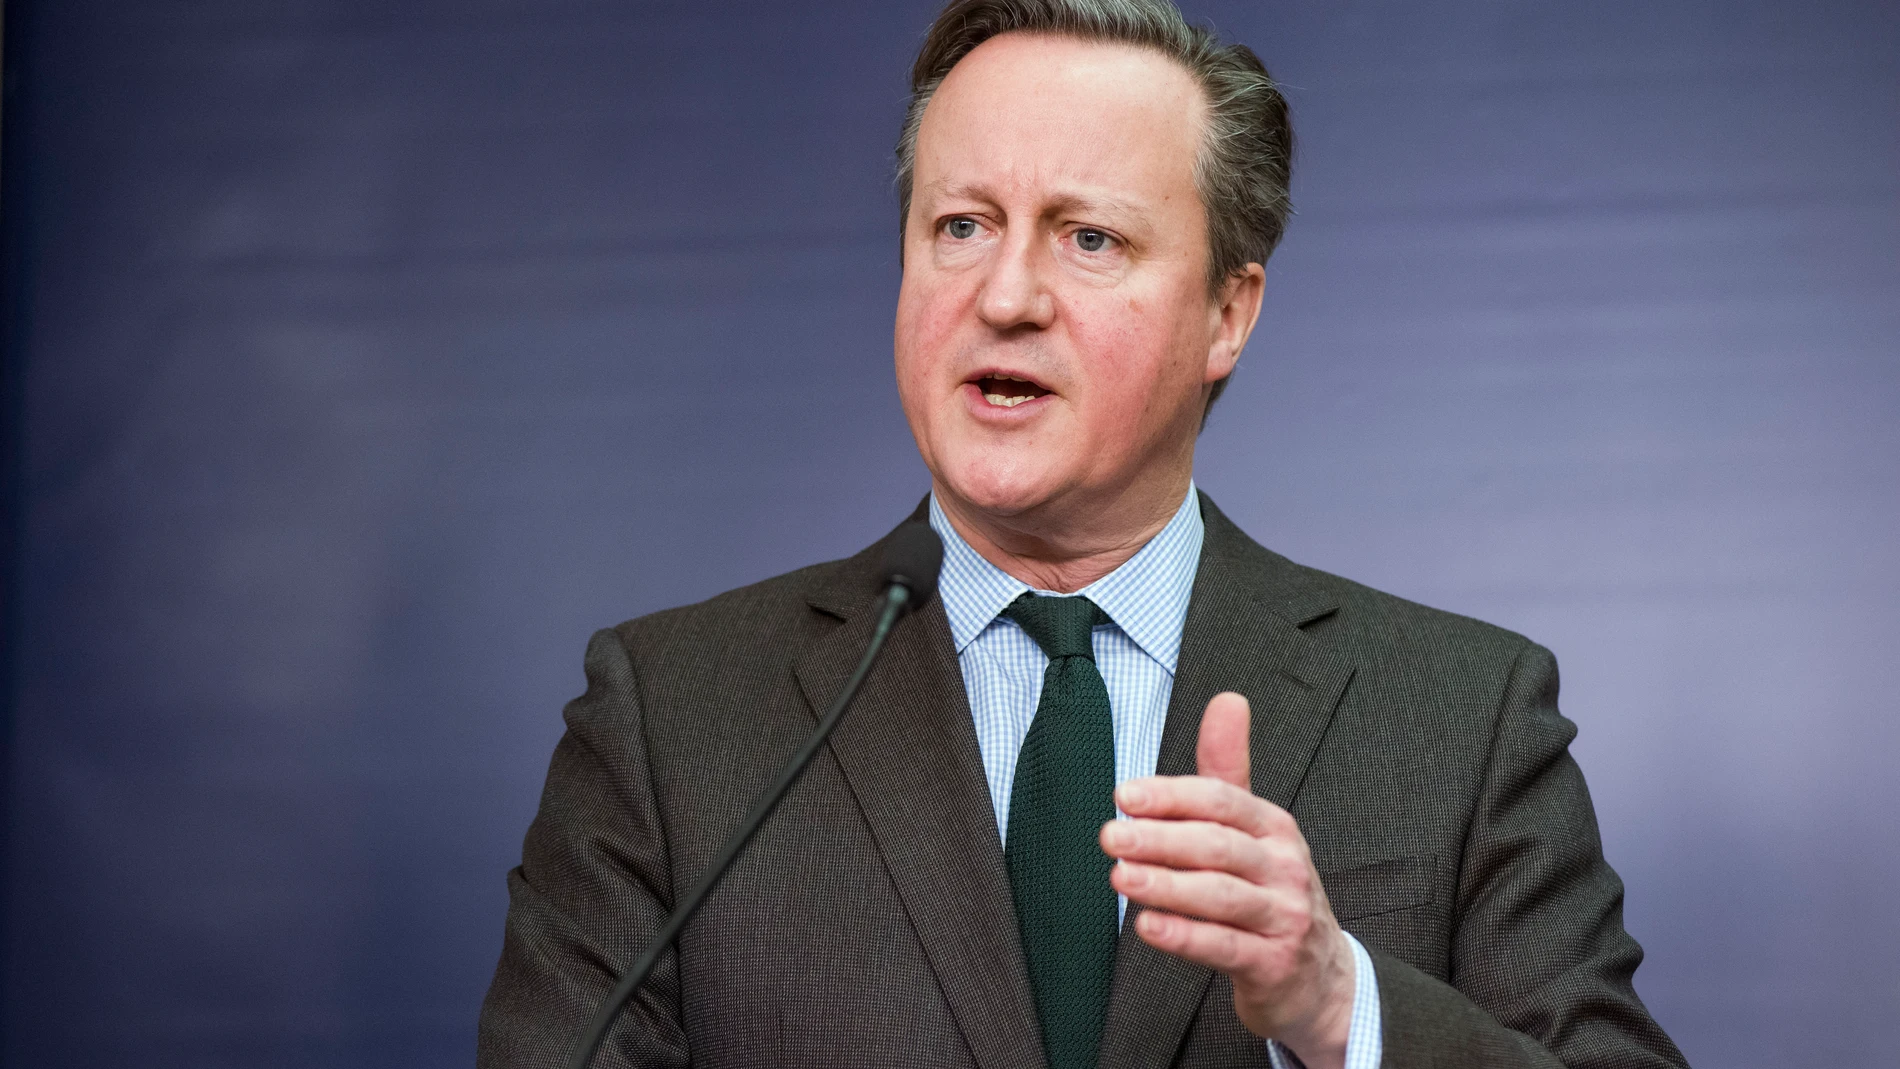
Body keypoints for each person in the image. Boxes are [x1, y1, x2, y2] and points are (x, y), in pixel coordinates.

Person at [477, 1, 1688, 1066]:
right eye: (959, 225)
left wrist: (1338, 1003)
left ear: (1228, 311)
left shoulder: (1460, 716)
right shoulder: (672, 715)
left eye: (1087, 237)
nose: (1004, 295)